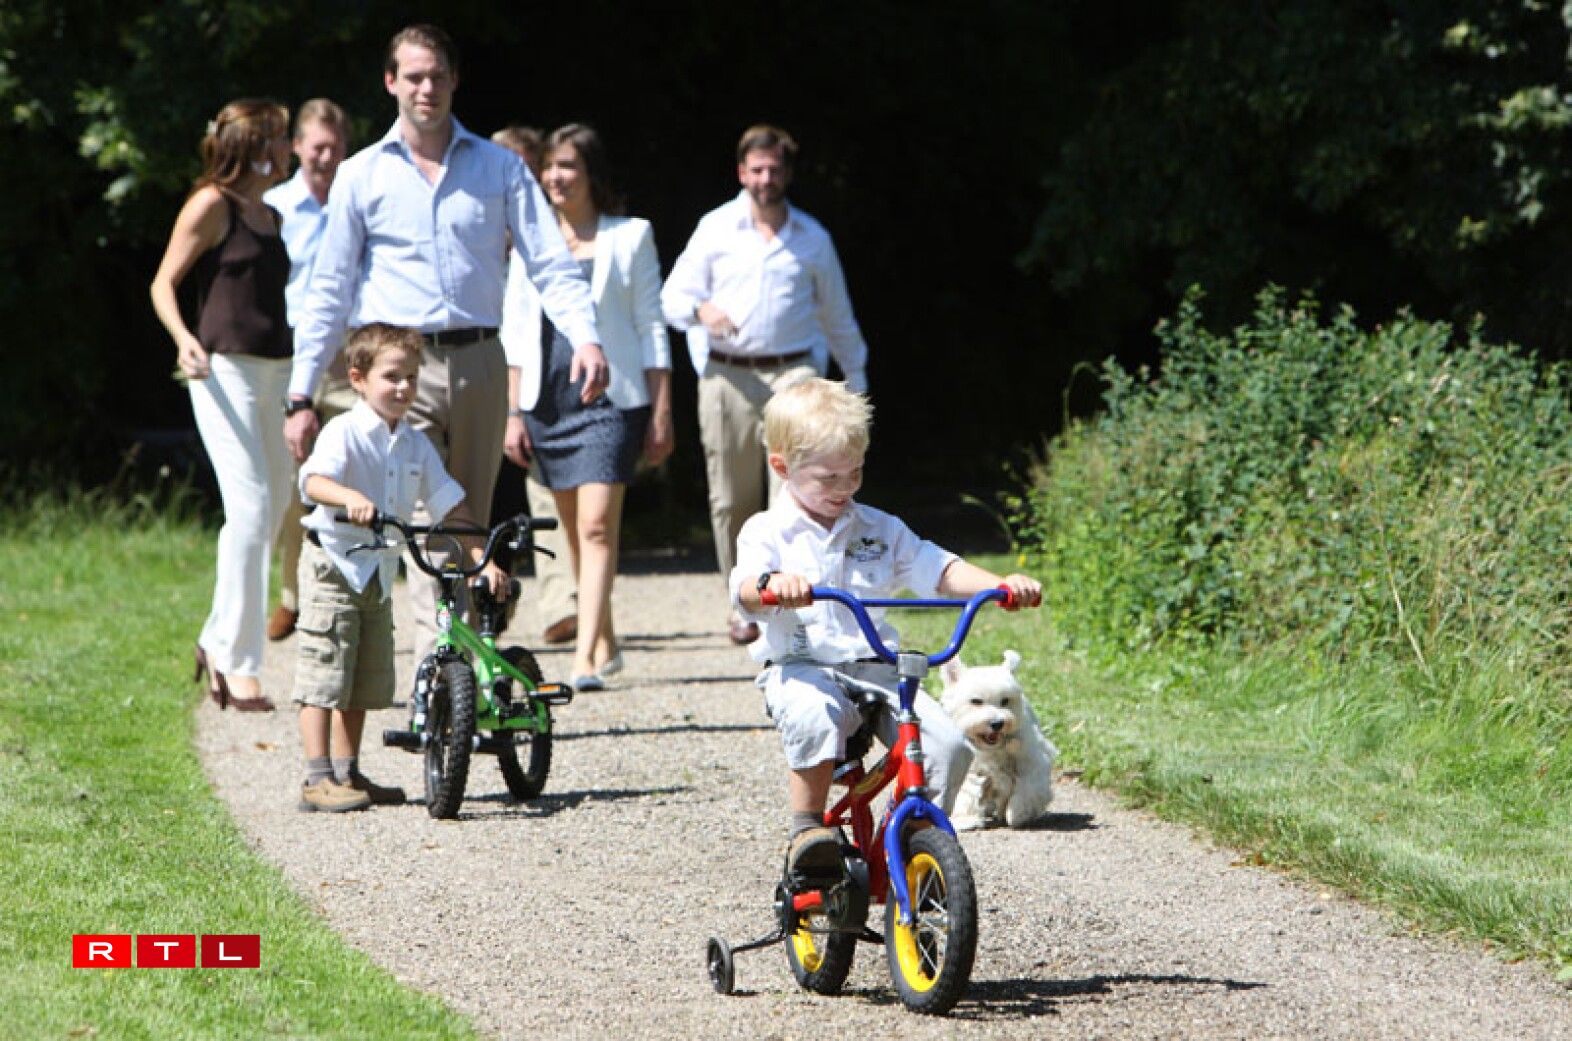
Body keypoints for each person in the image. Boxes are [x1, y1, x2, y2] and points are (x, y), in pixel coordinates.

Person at [283, 23, 605, 661]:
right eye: (413, 76)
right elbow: (328, 291)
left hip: (483, 360)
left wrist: (587, 338)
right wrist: (301, 393)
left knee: (468, 524)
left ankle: (467, 661)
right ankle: (440, 679)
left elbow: (549, 262)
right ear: (390, 82)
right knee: (424, 522)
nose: (425, 88)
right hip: (400, 366)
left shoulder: (499, 168)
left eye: (436, 76)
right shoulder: (361, 175)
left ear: (455, 80)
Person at [729, 378, 1042, 877]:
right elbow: (744, 588)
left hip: (876, 667)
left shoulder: (879, 528)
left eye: (854, 473)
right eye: (828, 477)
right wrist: (770, 584)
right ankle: (808, 832)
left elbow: (936, 567)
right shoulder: (766, 532)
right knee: (812, 714)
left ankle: (916, 841)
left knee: (947, 742)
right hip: (802, 666)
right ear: (782, 468)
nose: (845, 488)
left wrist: (1001, 584)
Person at [662, 124, 870, 646]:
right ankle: (744, 601)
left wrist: (856, 381)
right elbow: (671, 298)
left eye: (774, 169)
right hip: (728, 375)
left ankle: (796, 602)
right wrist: (701, 309)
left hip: (795, 374)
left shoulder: (812, 239)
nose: (765, 178)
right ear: (741, 173)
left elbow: (838, 315)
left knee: (796, 494)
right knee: (731, 498)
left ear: (788, 173)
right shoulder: (715, 228)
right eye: (756, 169)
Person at [293, 323, 507, 811]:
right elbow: (313, 482)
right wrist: (351, 499)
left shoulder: (414, 443)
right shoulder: (343, 431)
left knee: (365, 675)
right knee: (325, 669)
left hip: (378, 570)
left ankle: (349, 773)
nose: (404, 388)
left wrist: (481, 558)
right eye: (392, 376)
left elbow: (450, 507)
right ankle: (316, 776)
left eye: (411, 377)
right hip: (335, 562)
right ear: (359, 379)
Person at [509, 124, 674, 690]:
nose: (555, 177)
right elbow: (514, 328)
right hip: (546, 399)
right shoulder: (528, 238)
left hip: (610, 398)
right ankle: (604, 639)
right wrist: (512, 411)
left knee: (599, 525)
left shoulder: (632, 235)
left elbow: (652, 325)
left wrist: (661, 407)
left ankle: (583, 657)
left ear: (591, 174)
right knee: (575, 532)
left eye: (568, 166)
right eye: (549, 166)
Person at [150, 97, 294, 713]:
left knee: (278, 499)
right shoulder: (211, 205)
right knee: (254, 507)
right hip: (224, 372)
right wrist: (184, 341)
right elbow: (163, 283)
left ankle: (214, 639)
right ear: (260, 147)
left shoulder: (271, 216)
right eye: (283, 139)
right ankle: (239, 665)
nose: (288, 150)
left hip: (276, 372)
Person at [265, 98, 352, 642]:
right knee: (290, 483)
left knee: (346, 473)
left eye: (334, 147)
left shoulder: (354, 201)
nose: (324, 157)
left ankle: (345, 592)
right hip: (287, 354)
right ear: (296, 146)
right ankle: (291, 596)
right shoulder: (274, 207)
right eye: (316, 146)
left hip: (345, 356)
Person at [492, 124, 577, 648]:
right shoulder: (473, 237)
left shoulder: (546, 240)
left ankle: (560, 606)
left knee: (547, 499)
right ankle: (490, 604)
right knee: (489, 509)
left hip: (536, 389)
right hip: (479, 385)